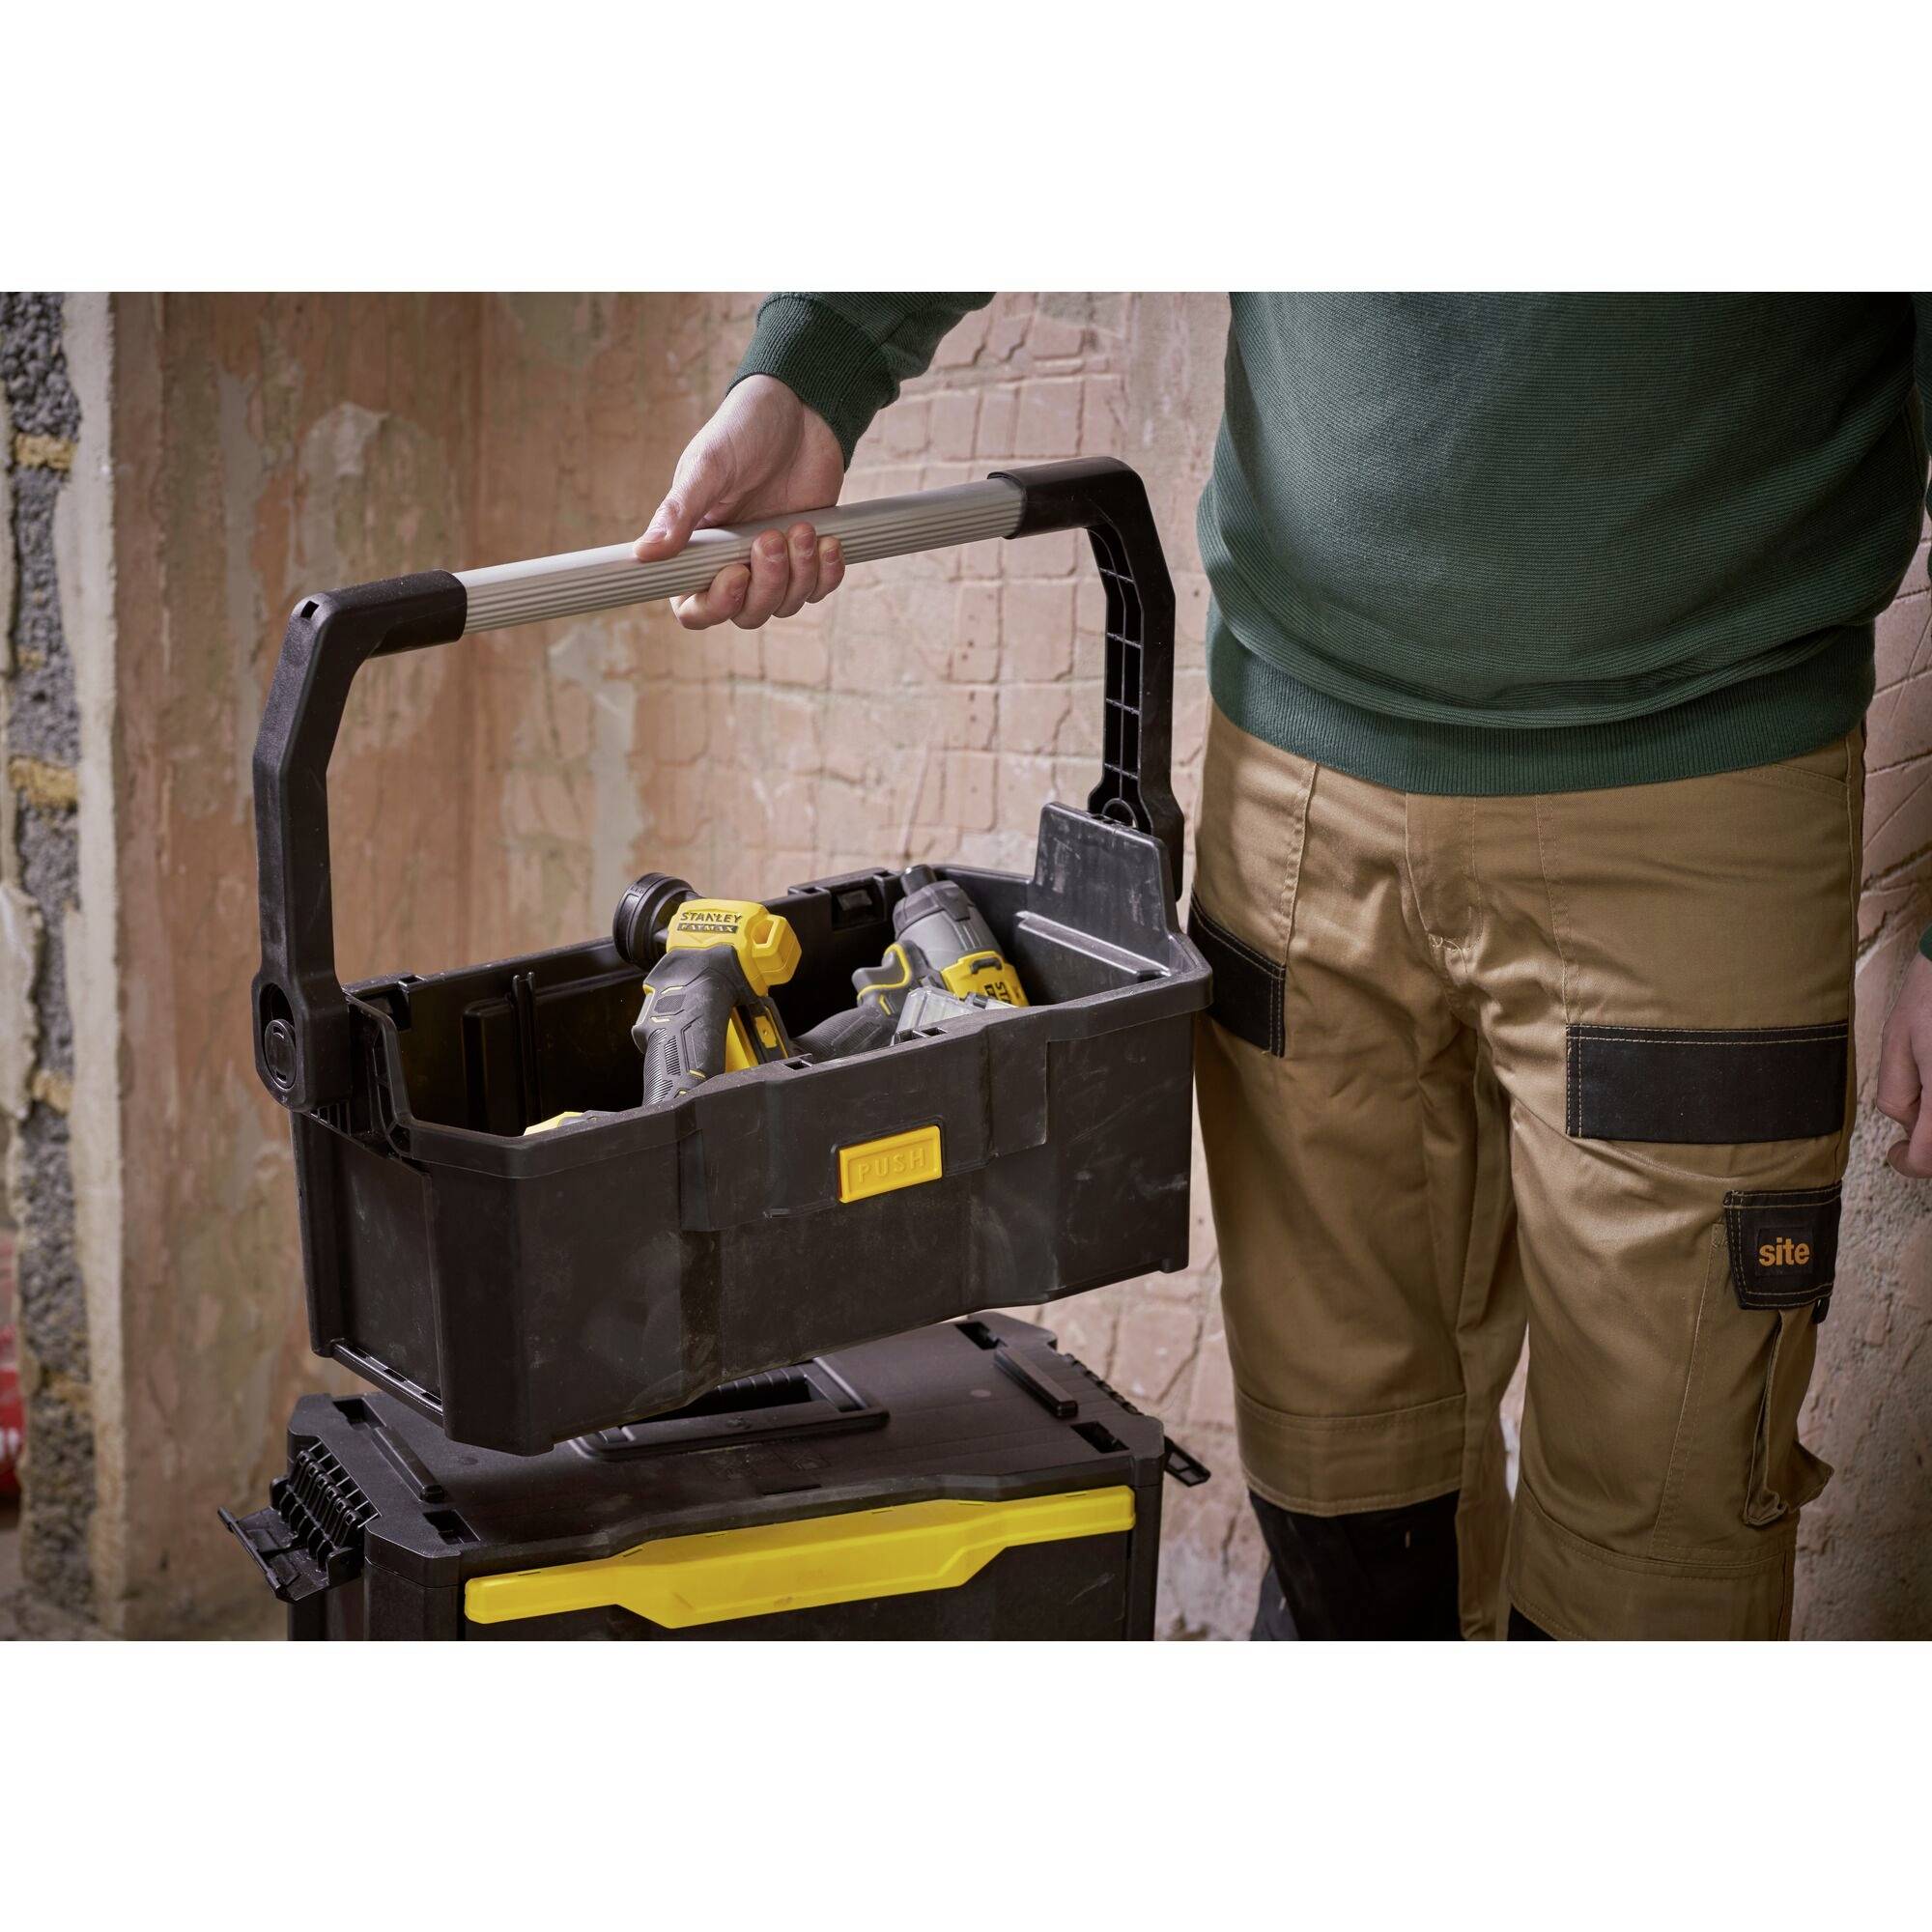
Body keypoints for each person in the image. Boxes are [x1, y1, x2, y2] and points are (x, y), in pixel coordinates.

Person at [638, 294, 1932, 1639]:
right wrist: (815, 370)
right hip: (1302, 781)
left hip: (1699, 792)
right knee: (1342, 1490)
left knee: (1661, 1561)